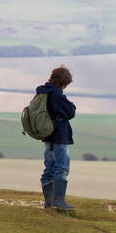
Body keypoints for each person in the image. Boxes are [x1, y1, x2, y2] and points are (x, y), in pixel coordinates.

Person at [37, 66, 77, 211]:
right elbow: (70, 111)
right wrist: (70, 105)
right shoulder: (57, 95)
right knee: (62, 166)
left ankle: (49, 202)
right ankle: (58, 201)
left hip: (47, 135)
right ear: (63, 83)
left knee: (50, 166)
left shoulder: (42, 93)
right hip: (59, 135)